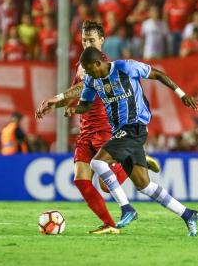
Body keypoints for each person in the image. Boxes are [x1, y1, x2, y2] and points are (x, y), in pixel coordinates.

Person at [36, 20, 160, 235]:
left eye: (91, 40)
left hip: (104, 128)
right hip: (86, 129)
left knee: (105, 185)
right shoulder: (82, 63)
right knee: (81, 180)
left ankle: (135, 159)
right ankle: (110, 224)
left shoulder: (101, 62)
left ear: (102, 41)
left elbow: (84, 85)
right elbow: (81, 93)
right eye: (84, 40)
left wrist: (58, 97)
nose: (87, 44)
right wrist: (61, 105)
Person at [65, 46, 198, 237]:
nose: (87, 74)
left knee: (97, 162)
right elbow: (85, 104)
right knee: (144, 185)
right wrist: (74, 110)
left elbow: (158, 74)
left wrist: (182, 94)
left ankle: (127, 208)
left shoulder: (125, 67)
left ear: (98, 63)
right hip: (120, 132)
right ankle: (188, 214)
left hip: (135, 126)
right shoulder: (92, 80)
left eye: (89, 69)